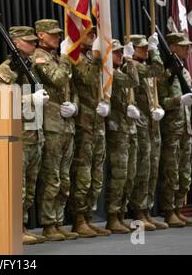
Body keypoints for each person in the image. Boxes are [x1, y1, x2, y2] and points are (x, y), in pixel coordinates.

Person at [0, 26, 49, 244]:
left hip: (35, 134)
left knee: (30, 187)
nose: (34, 44)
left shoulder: (30, 66)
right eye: (29, 41)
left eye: (35, 41)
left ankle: (22, 226)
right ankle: (14, 228)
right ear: (15, 43)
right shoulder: (6, 70)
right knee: (18, 186)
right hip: (18, 136)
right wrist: (29, 100)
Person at [33, 19, 79, 241]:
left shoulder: (56, 59)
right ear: (40, 35)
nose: (57, 37)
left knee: (64, 178)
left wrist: (75, 106)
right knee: (52, 177)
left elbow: (71, 89)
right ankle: (48, 224)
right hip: (50, 125)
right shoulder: (39, 56)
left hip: (66, 125)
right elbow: (58, 79)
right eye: (52, 34)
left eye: (58, 34)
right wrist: (65, 57)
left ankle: (59, 221)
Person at [69, 26, 111, 237]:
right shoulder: (75, 58)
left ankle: (88, 217)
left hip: (98, 124)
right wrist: (96, 58)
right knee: (83, 175)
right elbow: (87, 80)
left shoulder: (94, 60)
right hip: (84, 124)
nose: (93, 37)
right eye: (89, 33)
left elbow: (102, 86)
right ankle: (78, 220)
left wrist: (106, 103)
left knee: (96, 176)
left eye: (95, 34)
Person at [127, 33, 168, 231]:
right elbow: (158, 71)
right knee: (143, 170)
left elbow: (157, 78)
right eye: (141, 48)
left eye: (146, 47)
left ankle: (147, 210)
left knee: (152, 168)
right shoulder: (134, 66)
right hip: (140, 123)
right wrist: (155, 51)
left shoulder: (144, 67)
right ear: (132, 49)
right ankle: (138, 211)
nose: (145, 50)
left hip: (152, 123)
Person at [158, 32, 192, 227]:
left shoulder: (183, 71)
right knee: (171, 172)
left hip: (186, 128)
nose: (187, 49)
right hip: (172, 128)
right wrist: (178, 101)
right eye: (183, 46)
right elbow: (159, 102)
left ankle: (178, 208)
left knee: (185, 172)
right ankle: (168, 211)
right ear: (172, 47)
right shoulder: (166, 73)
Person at [104, 40, 140, 234]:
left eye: (120, 53)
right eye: (115, 53)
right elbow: (133, 81)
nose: (118, 56)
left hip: (128, 129)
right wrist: (129, 60)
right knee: (119, 175)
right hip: (117, 130)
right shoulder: (112, 74)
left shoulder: (119, 72)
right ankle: (112, 216)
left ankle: (121, 214)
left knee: (129, 175)